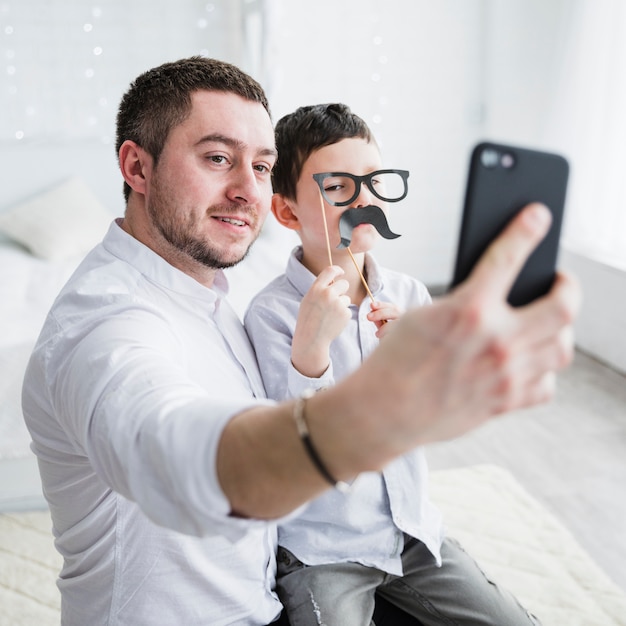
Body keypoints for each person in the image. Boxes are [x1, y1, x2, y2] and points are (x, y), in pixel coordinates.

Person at [21, 56, 580, 626]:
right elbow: (171, 452)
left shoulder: (214, 292)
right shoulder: (103, 325)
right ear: (137, 169)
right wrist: (384, 405)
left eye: (262, 167)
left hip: (304, 583)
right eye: (217, 158)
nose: (247, 191)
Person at [243, 102, 543, 625]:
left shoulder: (409, 294)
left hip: (414, 535)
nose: (365, 200)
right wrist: (310, 356)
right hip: (324, 550)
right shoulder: (272, 315)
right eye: (337, 188)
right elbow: (298, 456)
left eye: (375, 181)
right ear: (287, 212)